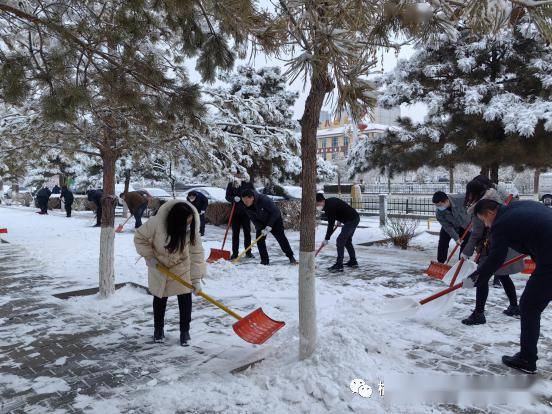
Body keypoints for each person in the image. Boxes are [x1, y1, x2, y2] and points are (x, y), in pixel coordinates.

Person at [464, 199, 552, 374]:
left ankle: (526, 359)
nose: (486, 225)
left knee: (529, 306)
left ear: (489, 213)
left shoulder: (501, 224)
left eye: (483, 220)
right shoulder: (521, 206)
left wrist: (474, 279)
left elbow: (495, 259)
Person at [134, 200, 206, 346]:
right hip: (159, 265)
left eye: (190, 221)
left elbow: (197, 254)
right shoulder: (156, 222)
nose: (188, 224)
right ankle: (158, 330)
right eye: (186, 222)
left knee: (185, 296)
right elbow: (139, 238)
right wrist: (150, 257)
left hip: (181, 265)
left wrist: (196, 280)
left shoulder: (193, 227)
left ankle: (185, 331)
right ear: (175, 221)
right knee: (160, 297)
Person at [460, 179, 523, 325]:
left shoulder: (479, 207)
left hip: (490, 246)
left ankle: (478, 314)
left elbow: (477, 233)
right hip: (504, 243)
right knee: (503, 274)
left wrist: (466, 252)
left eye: (468, 193)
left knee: (482, 277)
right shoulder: (496, 199)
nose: (467, 196)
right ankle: (514, 307)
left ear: (472, 193)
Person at [240, 189, 296, 265]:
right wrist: (260, 227)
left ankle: (291, 257)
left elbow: (275, 212)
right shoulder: (245, 205)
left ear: (252, 198)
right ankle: (264, 261)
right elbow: (253, 218)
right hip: (261, 223)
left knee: (281, 238)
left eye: (246, 201)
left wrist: (269, 225)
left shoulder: (264, 200)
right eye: (243, 200)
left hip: (275, 220)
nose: (245, 203)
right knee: (259, 240)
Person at [316, 193, 360, 272]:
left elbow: (330, 224)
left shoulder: (329, 207)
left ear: (322, 201)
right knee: (347, 241)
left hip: (351, 220)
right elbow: (341, 207)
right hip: (354, 218)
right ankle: (353, 261)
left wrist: (326, 239)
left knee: (340, 241)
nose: (317, 206)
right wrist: (339, 219)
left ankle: (339, 265)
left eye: (317, 203)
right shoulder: (330, 201)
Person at [432, 191, 471, 263]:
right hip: (450, 226)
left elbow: (473, 198)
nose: (439, 207)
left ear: (446, 201)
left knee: (465, 245)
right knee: (442, 243)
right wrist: (456, 238)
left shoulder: (460, 199)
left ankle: (462, 264)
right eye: (437, 206)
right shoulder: (439, 214)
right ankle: (440, 262)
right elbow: (447, 227)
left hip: (465, 225)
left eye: (440, 205)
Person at [225, 173, 255, 259]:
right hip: (235, 212)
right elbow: (227, 196)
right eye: (237, 174)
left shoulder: (248, 183)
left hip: (246, 212)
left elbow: (253, 194)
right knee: (235, 234)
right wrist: (233, 198)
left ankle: (248, 252)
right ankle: (235, 253)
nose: (238, 176)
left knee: (247, 233)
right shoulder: (232, 183)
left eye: (240, 174)